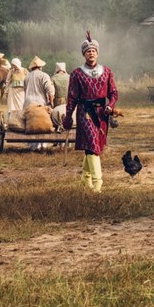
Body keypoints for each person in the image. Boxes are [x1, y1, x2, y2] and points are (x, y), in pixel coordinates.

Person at [62, 32, 118, 192]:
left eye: (93, 50)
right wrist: (68, 116)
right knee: (93, 145)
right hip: (84, 112)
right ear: (83, 54)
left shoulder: (107, 71)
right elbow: (72, 97)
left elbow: (113, 93)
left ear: (97, 53)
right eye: (88, 51)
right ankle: (97, 183)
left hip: (101, 113)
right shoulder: (76, 74)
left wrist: (111, 106)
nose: (91, 53)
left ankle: (85, 179)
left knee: (94, 146)